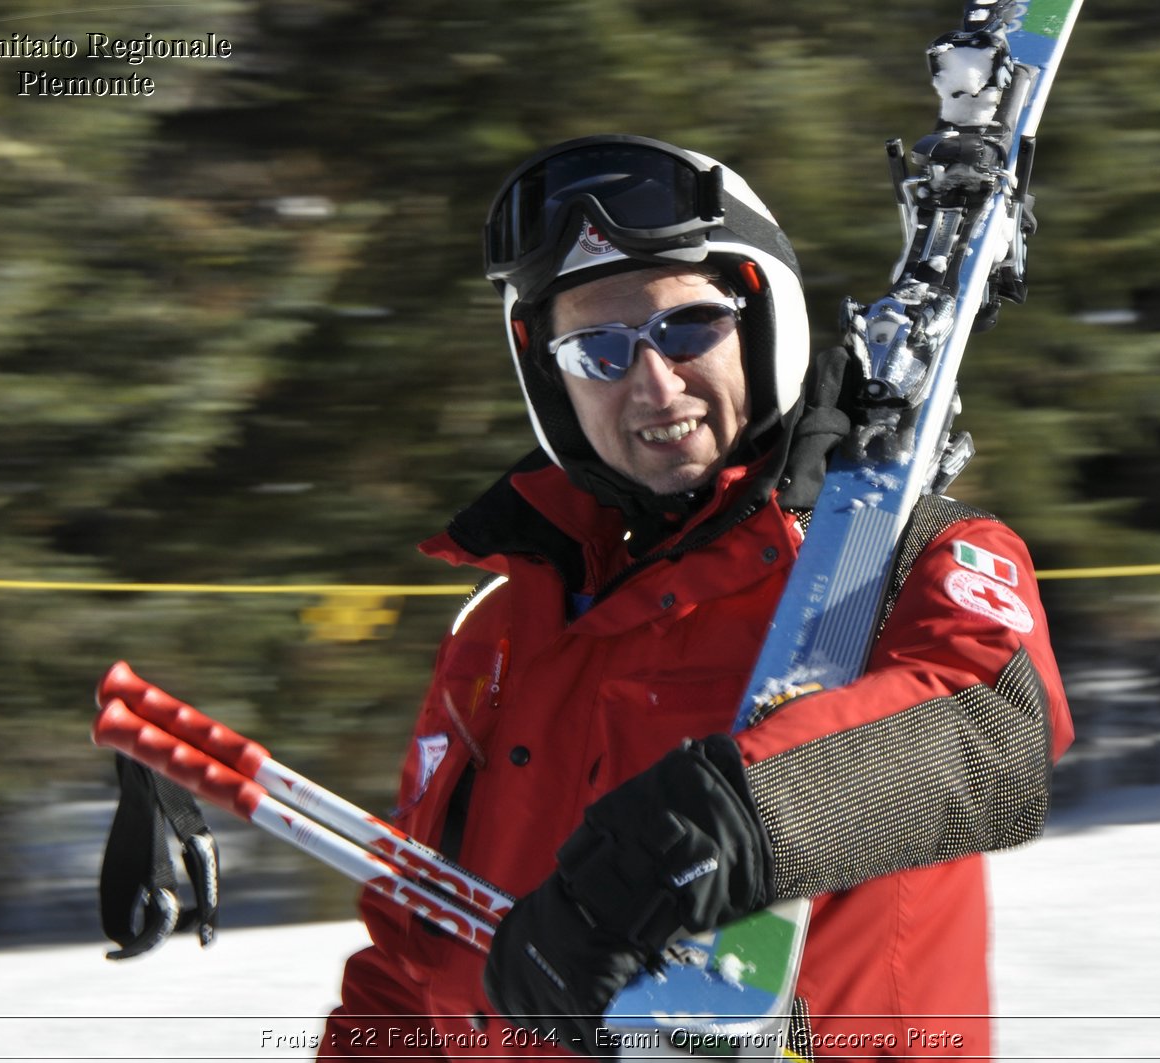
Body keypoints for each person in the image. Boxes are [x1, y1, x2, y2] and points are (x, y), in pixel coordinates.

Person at [319, 134, 1073, 1060]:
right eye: (596, 350)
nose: (652, 381)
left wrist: (718, 823)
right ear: (550, 384)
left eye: (688, 328)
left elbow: (990, 732)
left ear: (762, 326)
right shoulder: (504, 627)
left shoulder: (899, 559)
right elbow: (407, 964)